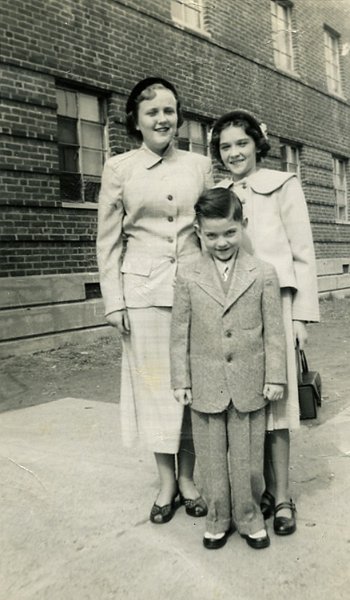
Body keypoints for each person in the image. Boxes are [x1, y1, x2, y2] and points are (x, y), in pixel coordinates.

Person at [96, 77, 213, 524]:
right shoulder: (119, 168)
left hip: (193, 290)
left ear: (178, 116)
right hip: (141, 293)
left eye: (169, 110)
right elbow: (107, 241)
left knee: (191, 386)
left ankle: (189, 478)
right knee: (154, 391)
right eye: (152, 112)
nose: (162, 119)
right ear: (136, 121)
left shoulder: (199, 166)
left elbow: (211, 231)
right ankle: (166, 483)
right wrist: (114, 300)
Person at [210, 109, 320, 536]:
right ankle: (257, 492)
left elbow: (303, 251)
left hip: (276, 306)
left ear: (257, 143)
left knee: (277, 406)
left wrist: (301, 317)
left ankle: (285, 495)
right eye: (225, 146)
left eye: (242, 143)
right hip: (233, 310)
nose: (235, 152)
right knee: (242, 404)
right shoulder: (217, 193)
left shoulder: (283, 185)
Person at [170, 187, 286, 550]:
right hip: (205, 383)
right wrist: (181, 380)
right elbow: (178, 334)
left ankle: (250, 518)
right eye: (212, 235)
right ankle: (218, 517)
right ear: (199, 233)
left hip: (250, 383)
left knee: (250, 459)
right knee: (211, 459)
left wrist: (275, 376)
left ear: (243, 226)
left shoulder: (263, 273)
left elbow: (274, 332)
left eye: (230, 233)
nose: (221, 242)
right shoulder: (188, 276)